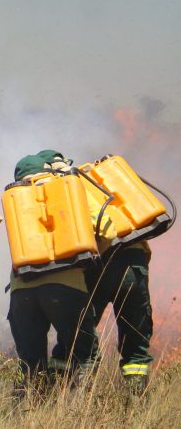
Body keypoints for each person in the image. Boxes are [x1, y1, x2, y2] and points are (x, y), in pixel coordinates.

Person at [37, 150, 154, 397]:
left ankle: (63, 402)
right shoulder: (100, 179)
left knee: (77, 338)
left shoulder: (65, 187)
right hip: (134, 263)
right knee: (136, 347)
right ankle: (137, 407)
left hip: (97, 265)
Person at [5, 151, 115, 400]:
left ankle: (23, 418)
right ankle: (75, 417)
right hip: (65, 286)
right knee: (85, 356)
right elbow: (108, 231)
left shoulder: (16, 199)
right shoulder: (67, 190)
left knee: (30, 365)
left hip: (21, 292)